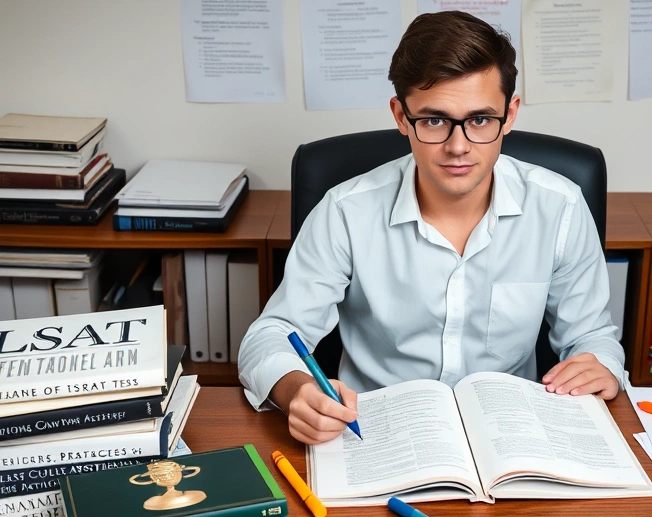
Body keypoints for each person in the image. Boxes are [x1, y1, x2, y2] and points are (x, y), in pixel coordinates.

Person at [239, 11, 626, 445]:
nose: (458, 147)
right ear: (402, 117)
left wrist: (601, 365)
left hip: (511, 437)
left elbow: (593, 336)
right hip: (376, 434)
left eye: (480, 119)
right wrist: (298, 390)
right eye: (435, 120)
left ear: (510, 114)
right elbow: (270, 335)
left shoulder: (561, 207)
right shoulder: (345, 212)